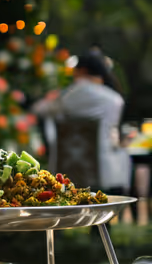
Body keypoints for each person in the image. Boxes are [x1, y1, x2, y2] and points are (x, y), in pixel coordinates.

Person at [33, 49, 131, 192]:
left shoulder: (65, 97)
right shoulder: (114, 100)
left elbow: (38, 110)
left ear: (81, 70)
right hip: (106, 172)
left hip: (66, 171)